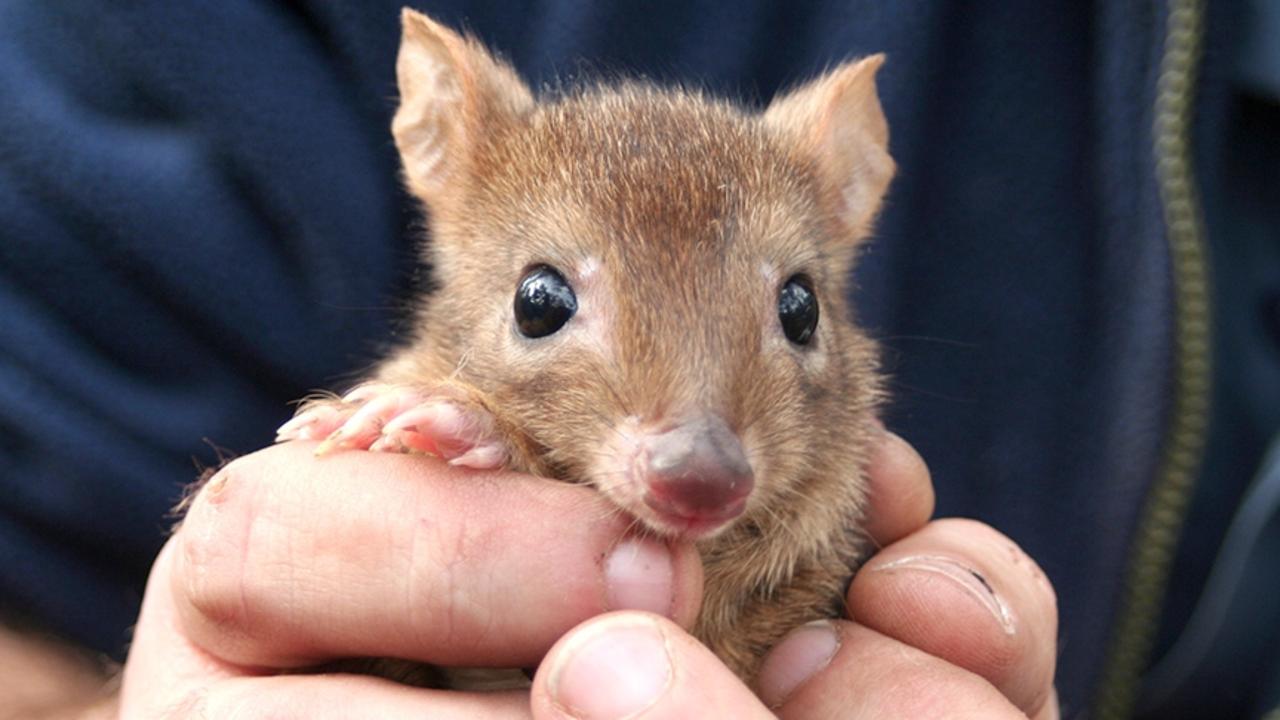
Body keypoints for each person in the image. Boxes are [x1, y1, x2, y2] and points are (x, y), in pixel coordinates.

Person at [1, 1, 1275, 718]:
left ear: (849, 186)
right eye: (550, 304)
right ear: (443, 142)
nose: (700, 445)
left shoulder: (836, 482)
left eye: (787, 317)